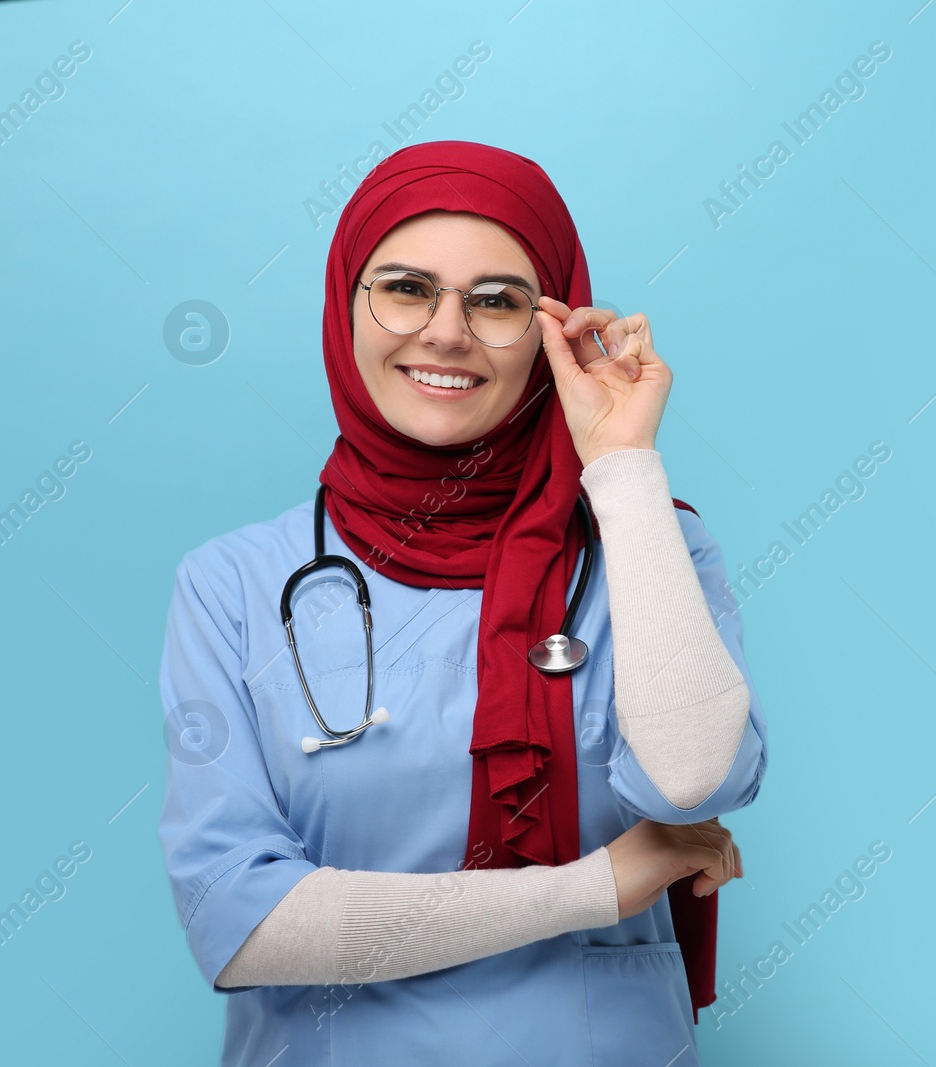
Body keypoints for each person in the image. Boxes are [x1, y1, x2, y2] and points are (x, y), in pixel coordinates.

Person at [156, 140, 769, 1066]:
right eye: (406, 288)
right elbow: (242, 924)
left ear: (551, 328)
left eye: (498, 301)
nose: (447, 332)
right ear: (344, 306)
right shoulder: (233, 584)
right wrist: (595, 887)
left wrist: (622, 464)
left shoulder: (646, 548)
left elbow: (692, 781)